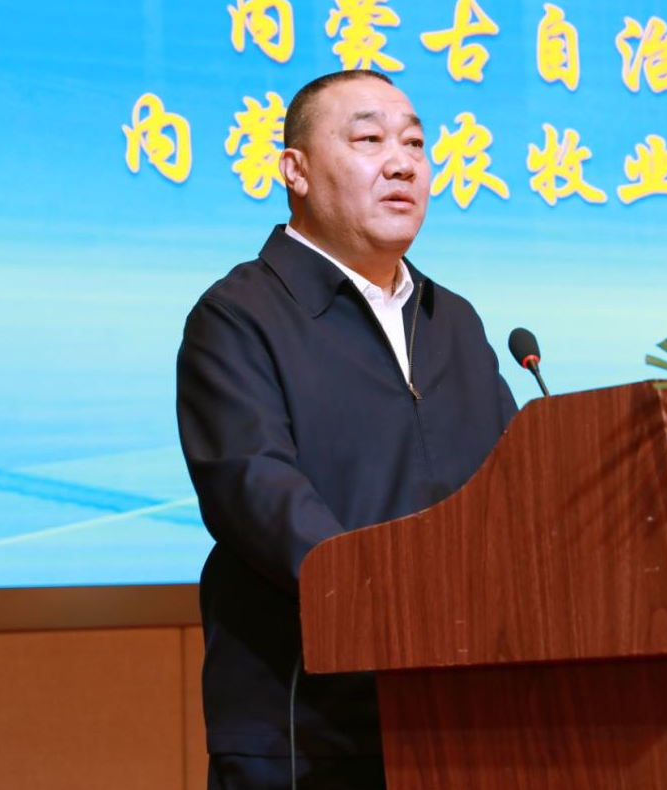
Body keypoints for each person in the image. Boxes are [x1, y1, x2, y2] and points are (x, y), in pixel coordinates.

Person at [176, 69, 517, 790]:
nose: (403, 164)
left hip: (469, 716)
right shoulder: (238, 317)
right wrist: (397, 610)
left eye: (415, 144)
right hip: (309, 731)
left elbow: (517, 488)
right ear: (295, 171)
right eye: (369, 140)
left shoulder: (453, 320)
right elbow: (258, 493)